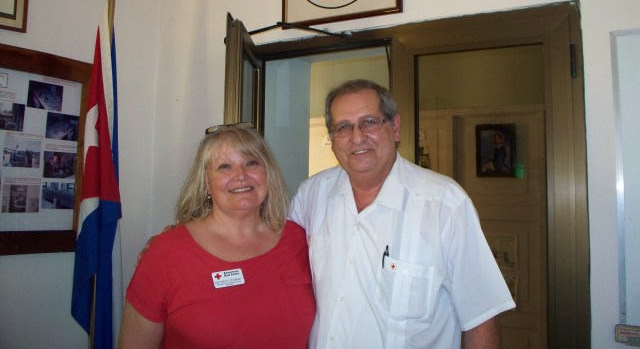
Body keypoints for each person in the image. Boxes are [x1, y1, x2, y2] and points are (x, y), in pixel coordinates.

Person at [289, 79, 515, 348]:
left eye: (369, 122)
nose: (357, 137)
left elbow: (481, 318)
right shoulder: (311, 196)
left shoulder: (445, 204)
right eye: (343, 127)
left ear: (395, 128)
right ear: (333, 138)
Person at [119, 124, 315, 348]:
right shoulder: (166, 253)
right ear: (206, 184)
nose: (241, 175)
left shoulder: (299, 240)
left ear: (267, 173)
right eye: (224, 167)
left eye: (251, 163)